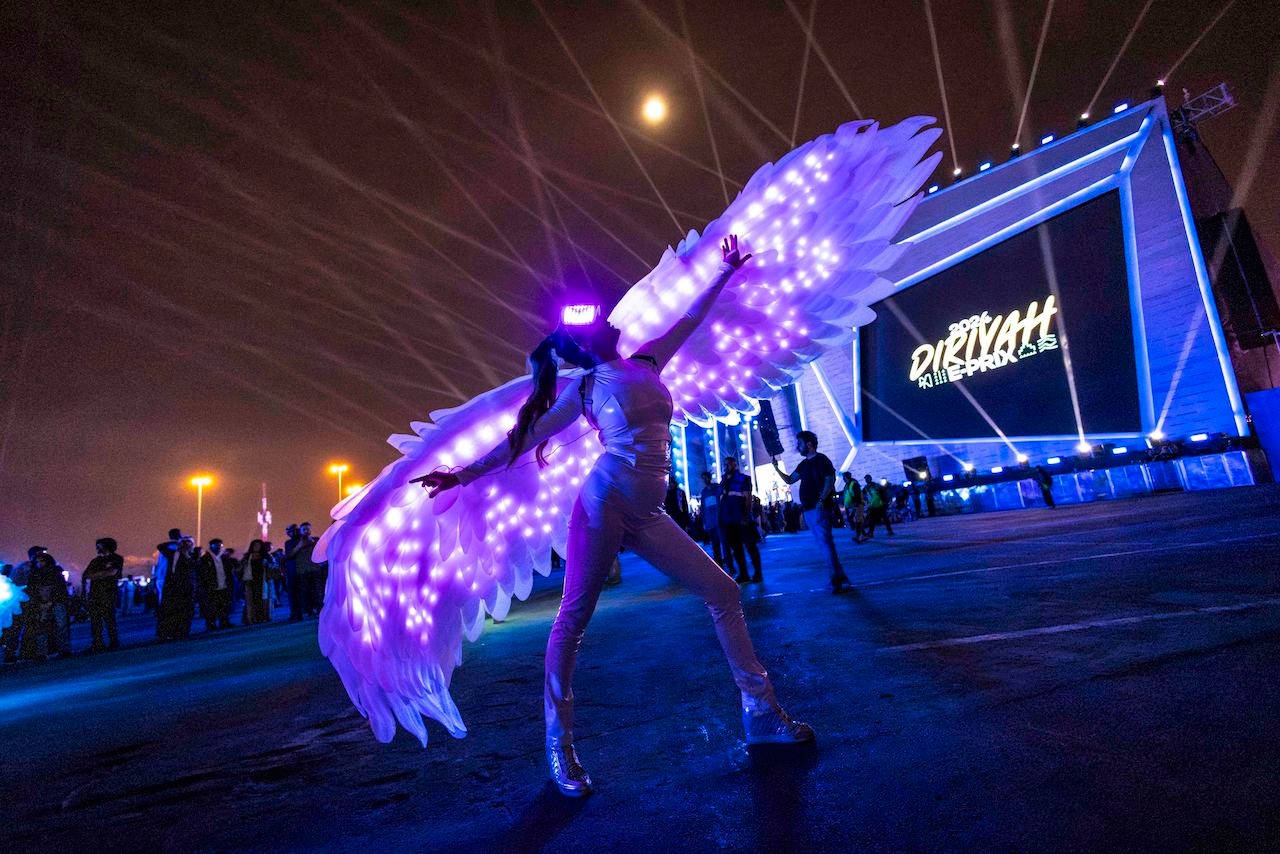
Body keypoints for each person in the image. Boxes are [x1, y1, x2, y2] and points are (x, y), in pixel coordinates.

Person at [414, 235, 812, 799]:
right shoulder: (583, 392)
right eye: (591, 321)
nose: (607, 319)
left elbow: (692, 316)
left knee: (724, 592)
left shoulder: (648, 358)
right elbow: (519, 442)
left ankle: (761, 714)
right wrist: (461, 474)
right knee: (573, 619)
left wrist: (724, 270)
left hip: (648, 510)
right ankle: (560, 746)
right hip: (603, 504)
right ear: (580, 341)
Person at [773, 432, 852, 593]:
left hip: (819, 508)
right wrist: (776, 468)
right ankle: (840, 575)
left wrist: (821, 501)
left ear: (809, 444)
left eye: (800, 443)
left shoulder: (822, 460)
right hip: (809, 509)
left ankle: (836, 579)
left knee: (826, 544)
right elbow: (790, 480)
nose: (798, 447)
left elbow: (830, 480)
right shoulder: (803, 465)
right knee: (825, 545)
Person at [720, 456, 763, 584]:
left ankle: (757, 573)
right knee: (736, 549)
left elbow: (748, 498)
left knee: (750, 546)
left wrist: (746, 515)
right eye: (725, 464)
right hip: (729, 520)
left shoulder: (743, 479)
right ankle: (743, 573)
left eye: (729, 464)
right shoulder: (723, 481)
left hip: (742, 519)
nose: (726, 466)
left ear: (735, 464)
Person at [2, 546, 46, 662]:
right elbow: (28, 583)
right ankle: (15, 653)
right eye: (40, 553)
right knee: (21, 627)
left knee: (24, 628)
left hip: (23, 601)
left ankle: (19, 653)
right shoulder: (27, 567)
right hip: (22, 602)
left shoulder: (26, 566)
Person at [81, 538, 124, 651]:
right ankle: (97, 643)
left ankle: (114, 642)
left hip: (109, 593)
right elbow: (86, 575)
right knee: (95, 620)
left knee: (109, 619)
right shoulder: (95, 561)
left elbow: (113, 572)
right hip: (94, 594)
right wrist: (102, 574)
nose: (97, 549)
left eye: (99, 546)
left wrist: (97, 574)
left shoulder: (116, 558)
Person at [156, 538, 197, 640]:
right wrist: (175, 542)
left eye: (188, 544)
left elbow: (193, 567)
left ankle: (182, 632)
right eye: (184, 543)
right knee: (169, 610)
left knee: (185, 610)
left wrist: (186, 553)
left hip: (186, 587)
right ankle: (166, 633)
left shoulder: (193, 555)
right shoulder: (172, 553)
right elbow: (160, 546)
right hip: (171, 586)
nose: (185, 545)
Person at [198, 539, 236, 630]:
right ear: (211, 546)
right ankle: (211, 624)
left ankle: (224, 622)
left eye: (220, 545)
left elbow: (229, 571)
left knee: (224, 605)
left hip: (223, 585)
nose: (219, 547)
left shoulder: (224, 558)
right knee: (211, 607)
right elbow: (201, 573)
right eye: (216, 545)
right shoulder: (205, 559)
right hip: (211, 587)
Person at [289, 523, 325, 617]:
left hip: (315, 569)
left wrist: (313, 543)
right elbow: (290, 555)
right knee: (306, 592)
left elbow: (322, 551)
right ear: (300, 530)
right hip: (302, 571)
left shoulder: (315, 539)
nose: (306, 531)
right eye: (304, 529)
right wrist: (300, 545)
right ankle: (309, 611)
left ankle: (320, 610)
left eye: (308, 529)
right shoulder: (293, 542)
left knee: (318, 592)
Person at [241, 539, 271, 625]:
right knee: (250, 600)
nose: (256, 547)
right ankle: (250, 618)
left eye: (258, 545)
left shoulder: (265, 556)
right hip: (250, 580)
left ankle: (261, 617)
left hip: (262, 580)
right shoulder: (247, 556)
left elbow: (272, 566)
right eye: (255, 545)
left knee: (261, 599)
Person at [698, 471, 725, 566]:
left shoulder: (717, 488)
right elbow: (703, 508)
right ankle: (719, 562)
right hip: (710, 522)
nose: (704, 480)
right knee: (715, 544)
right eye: (703, 478)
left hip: (720, 520)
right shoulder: (704, 492)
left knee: (724, 543)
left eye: (706, 478)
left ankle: (728, 562)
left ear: (709, 478)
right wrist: (704, 522)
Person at [840, 472, 866, 544]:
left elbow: (857, 494)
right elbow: (845, 493)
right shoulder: (848, 485)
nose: (843, 479)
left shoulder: (853, 483)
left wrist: (856, 503)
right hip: (852, 505)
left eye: (843, 477)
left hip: (857, 504)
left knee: (858, 520)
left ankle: (859, 536)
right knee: (857, 520)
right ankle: (863, 534)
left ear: (846, 477)